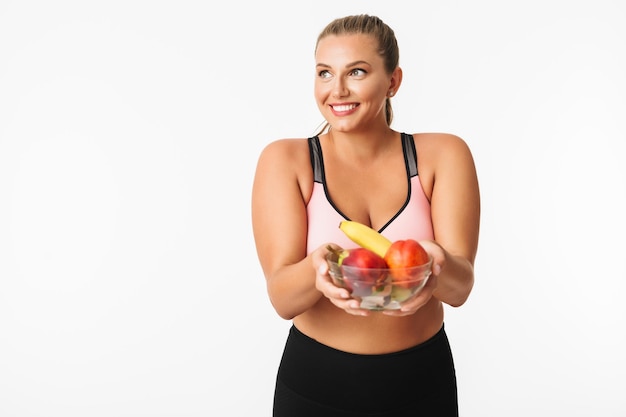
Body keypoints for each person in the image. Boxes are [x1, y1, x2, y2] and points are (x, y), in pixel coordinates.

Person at [251, 14, 480, 417]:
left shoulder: (443, 156)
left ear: (393, 81)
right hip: (315, 385)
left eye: (356, 71)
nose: (336, 90)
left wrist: (437, 264)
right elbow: (282, 298)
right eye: (324, 73)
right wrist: (316, 271)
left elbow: (460, 290)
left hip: (422, 383)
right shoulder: (287, 160)